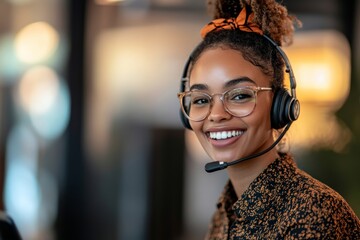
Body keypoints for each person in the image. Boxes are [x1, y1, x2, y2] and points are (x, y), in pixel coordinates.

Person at [177, 0, 360, 238]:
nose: (217, 114)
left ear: (279, 105)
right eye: (201, 99)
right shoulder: (225, 213)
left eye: (240, 95)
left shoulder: (315, 212)